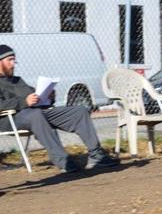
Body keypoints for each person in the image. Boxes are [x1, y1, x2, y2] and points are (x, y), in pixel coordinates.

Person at [0, 44, 119, 173]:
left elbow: (34, 99)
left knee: (79, 111)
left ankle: (97, 156)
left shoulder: (17, 81)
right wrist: (24, 102)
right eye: (10, 60)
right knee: (35, 115)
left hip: (35, 113)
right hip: (8, 119)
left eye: (14, 60)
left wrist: (47, 96)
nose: (13, 64)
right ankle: (63, 161)